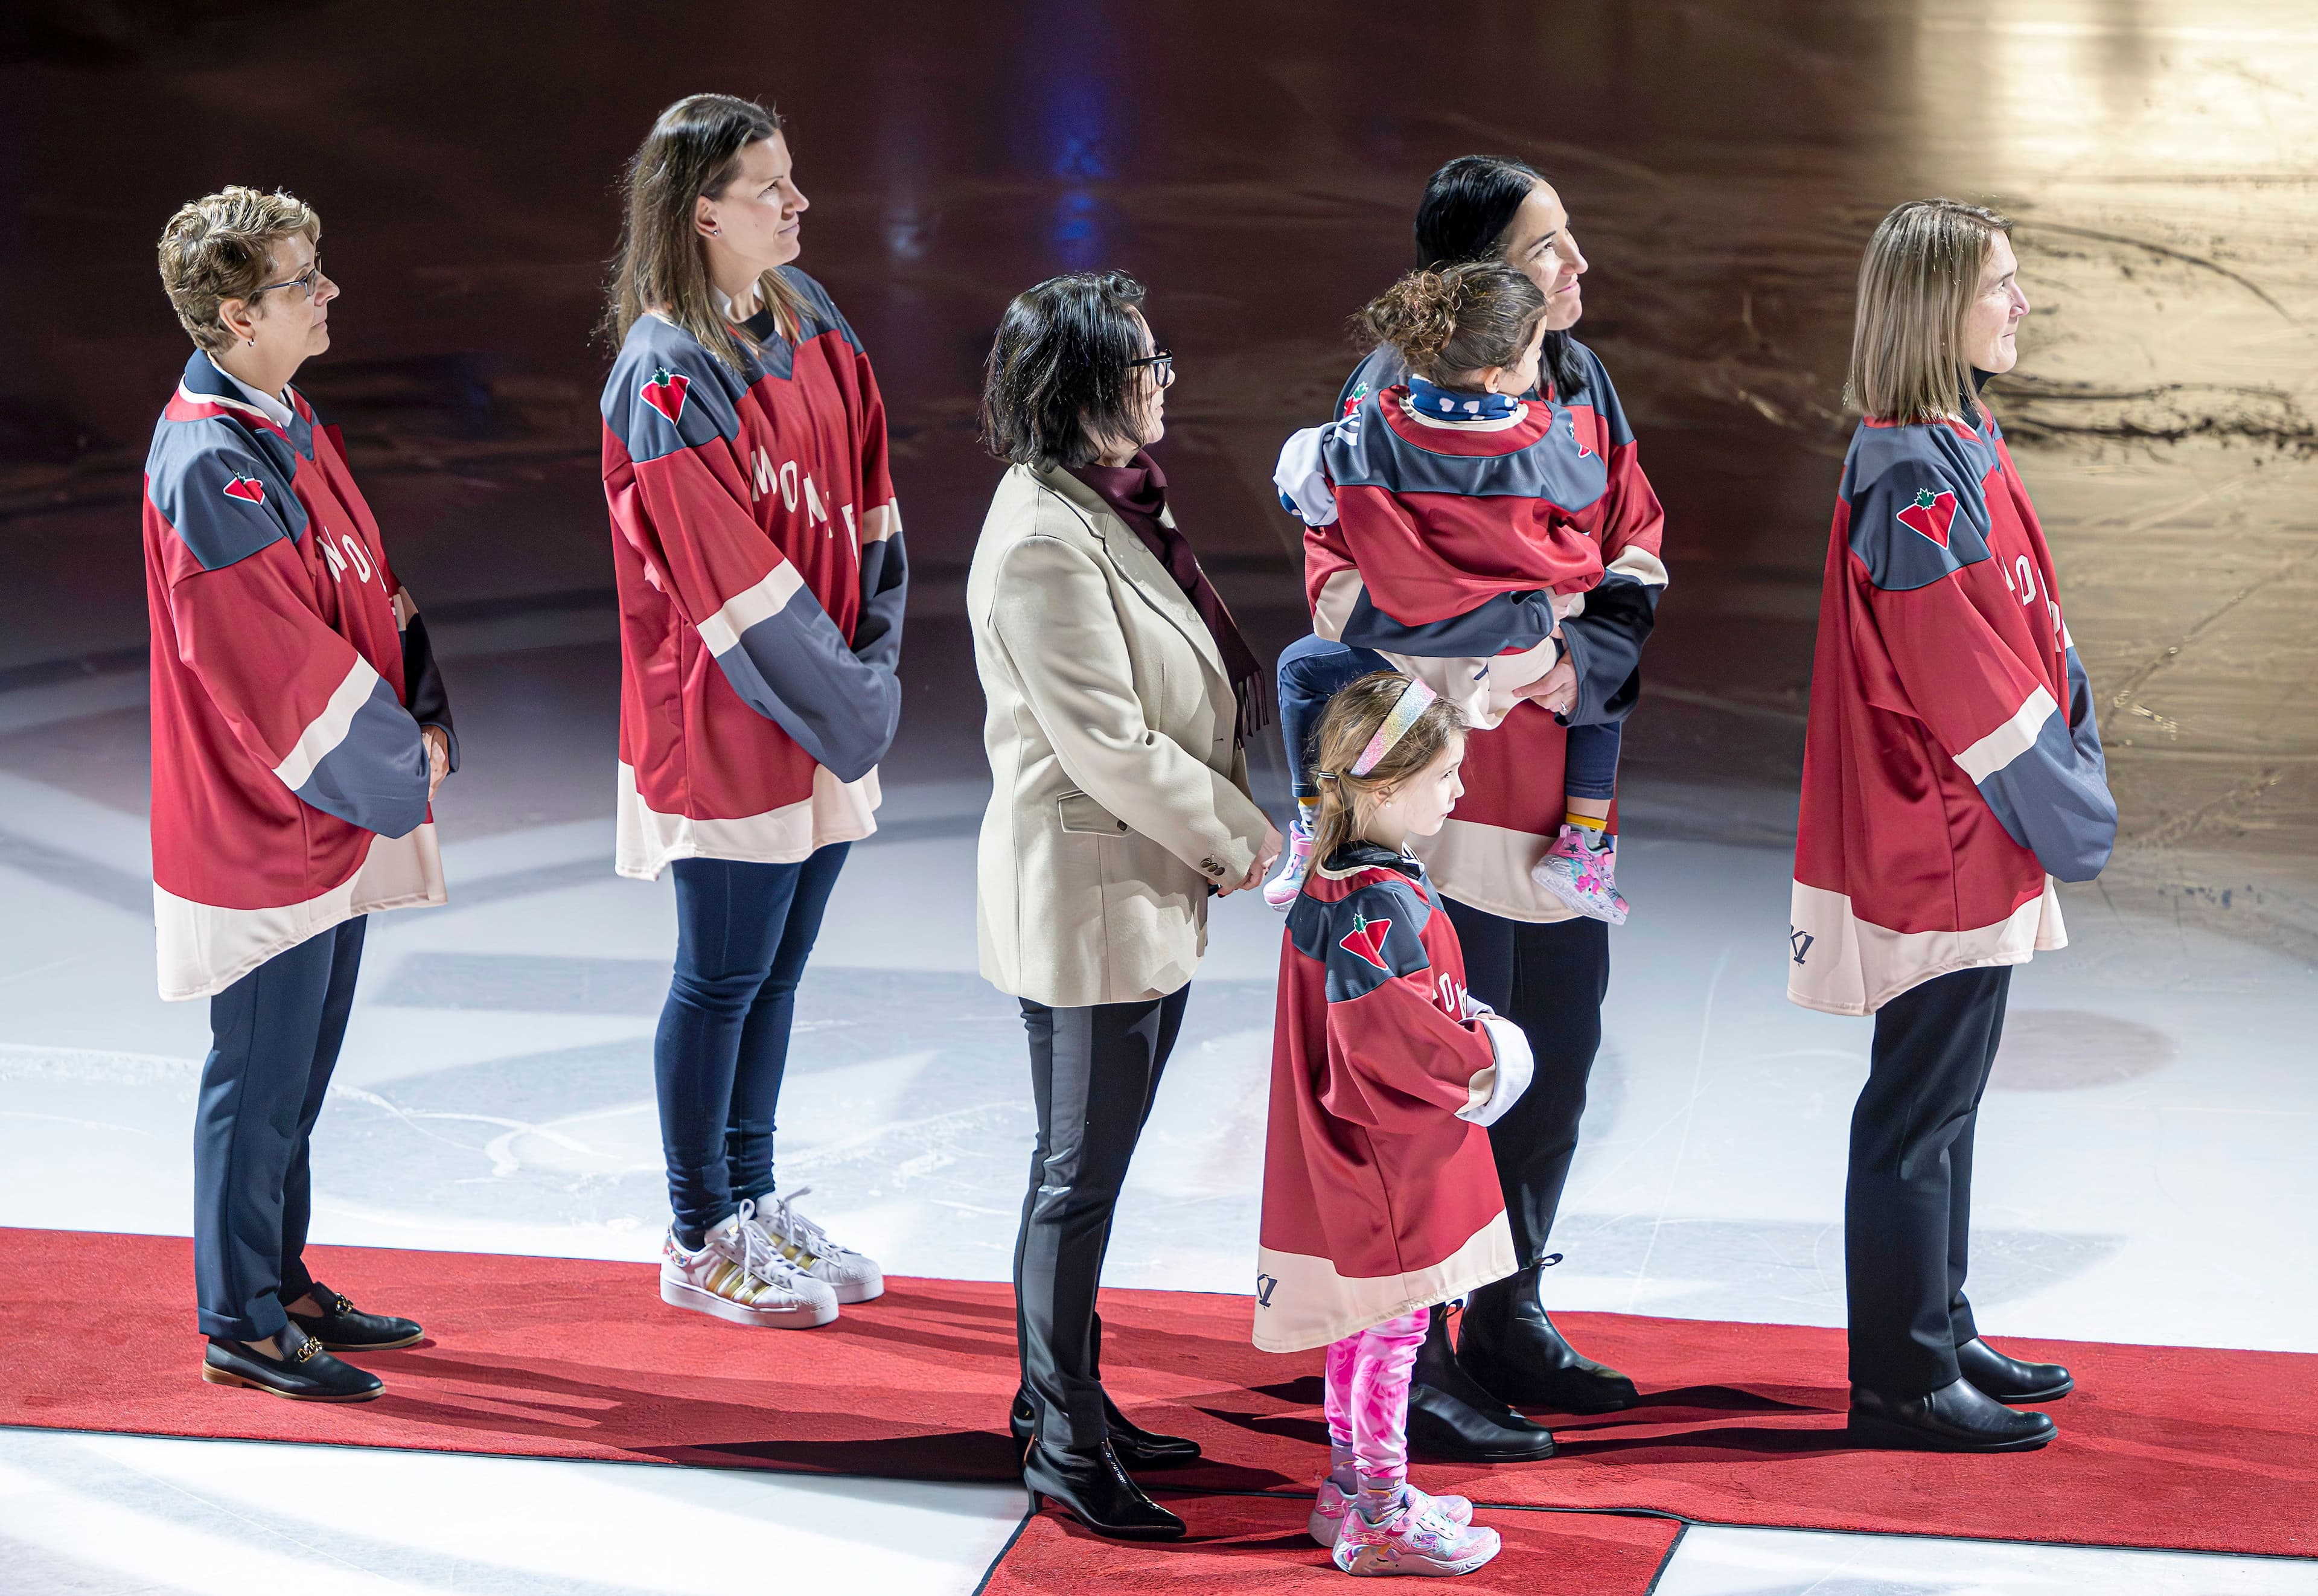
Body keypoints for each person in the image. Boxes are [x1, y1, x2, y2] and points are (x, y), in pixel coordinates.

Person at [1276, 156, 1668, 1460]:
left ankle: (1509, 1311)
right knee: (1441, 1089)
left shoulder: (1586, 381)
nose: (1576, 267)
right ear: (1474, 279)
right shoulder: (1389, 397)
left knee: (1555, 1063)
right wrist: (1467, 666)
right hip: (1443, 808)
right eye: (1548, 248)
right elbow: (1339, 579)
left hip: (1562, 799)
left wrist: (1574, 660)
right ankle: (1420, 1356)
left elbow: (1635, 540)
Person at [1791, 199, 2116, 1452]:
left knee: (1948, 1100)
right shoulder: (1912, 467)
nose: (2020, 303)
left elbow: (2024, 612)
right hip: (1943, 829)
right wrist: (2065, 793)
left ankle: (1942, 1319)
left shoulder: (1958, 436)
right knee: (1918, 1107)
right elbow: (1959, 669)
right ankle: (1903, 1376)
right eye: (2002, 285)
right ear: (1940, 309)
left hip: (1972, 824)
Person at [969, 270, 1282, 1539]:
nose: (1163, 379)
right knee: (1077, 1178)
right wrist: (1248, 838)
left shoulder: (1109, 502)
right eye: (1145, 361)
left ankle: (1068, 1398)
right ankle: (1062, 1434)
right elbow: (1109, 742)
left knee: (1083, 1167)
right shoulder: (1048, 538)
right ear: (1088, 384)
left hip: (1131, 885)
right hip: (1096, 889)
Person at [601, 94, 906, 1331]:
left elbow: (870, 496)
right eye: (769, 187)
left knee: (776, 976)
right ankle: (696, 1228)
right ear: (701, 211)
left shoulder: (807, 309)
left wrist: (872, 663)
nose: (798, 204)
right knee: (721, 976)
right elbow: (728, 577)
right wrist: (854, 697)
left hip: (828, 705)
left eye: (793, 179)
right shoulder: (665, 373)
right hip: (725, 722)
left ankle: (753, 1192)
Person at [147, 186, 454, 1401]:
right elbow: (268, 660)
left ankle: (281, 1277)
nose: (326, 292)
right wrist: (400, 757)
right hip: (262, 824)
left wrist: (420, 707)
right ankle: (242, 1319)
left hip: (318, 807)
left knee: (302, 1072)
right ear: (236, 313)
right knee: (261, 1073)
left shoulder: (280, 417)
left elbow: (365, 580)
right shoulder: (211, 460)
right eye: (300, 279)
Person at [1256, 670, 1532, 1578]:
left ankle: (1349, 1487)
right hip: (1389, 1160)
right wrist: (1489, 1051)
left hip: (1361, 1154)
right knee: (1395, 1331)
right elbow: (1396, 1039)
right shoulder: (1375, 902)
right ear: (1383, 788)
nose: (1461, 790)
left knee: (1362, 1322)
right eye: (1446, 774)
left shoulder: (1349, 884)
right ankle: (1378, 1514)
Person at [1274, 260, 1643, 926]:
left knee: (1302, 670)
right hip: (1513, 660)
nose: (1541, 363)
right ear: (1499, 375)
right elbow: (1589, 503)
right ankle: (1585, 840)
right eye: (1535, 353)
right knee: (1602, 688)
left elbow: (1306, 482)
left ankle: (1311, 823)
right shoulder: (1543, 439)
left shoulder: (1368, 431)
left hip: (1400, 668)